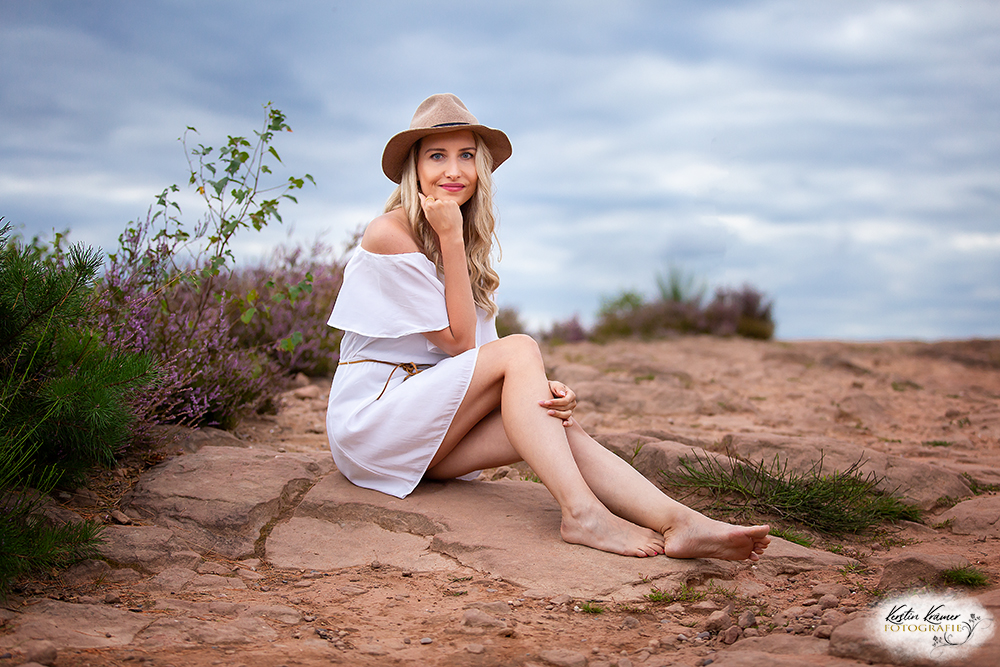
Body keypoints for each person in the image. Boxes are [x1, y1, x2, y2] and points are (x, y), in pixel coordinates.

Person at [326, 93, 770, 560]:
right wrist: (451, 237)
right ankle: (582, 514)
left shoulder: (463, 242)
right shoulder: (389, 233)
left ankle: (681, 522)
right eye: (437, 156)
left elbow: (481, 355)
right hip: (375, 425)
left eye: (467, 156)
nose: (454, 171)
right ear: (414, 168)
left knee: (553, 420)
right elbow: (460, 346)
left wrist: (539, 385)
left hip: (426, 429)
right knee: (522, 350)